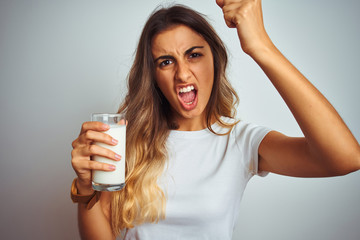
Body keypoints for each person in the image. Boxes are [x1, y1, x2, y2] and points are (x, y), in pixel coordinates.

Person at [70, 0, 360, 239]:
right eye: (166, 62)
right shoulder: (124, 138)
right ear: (153, 76)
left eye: (194, 55)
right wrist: (85, 187)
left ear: (215, 60)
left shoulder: (241, 141)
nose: (182, 74)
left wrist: (261, 46)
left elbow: (345, 158)